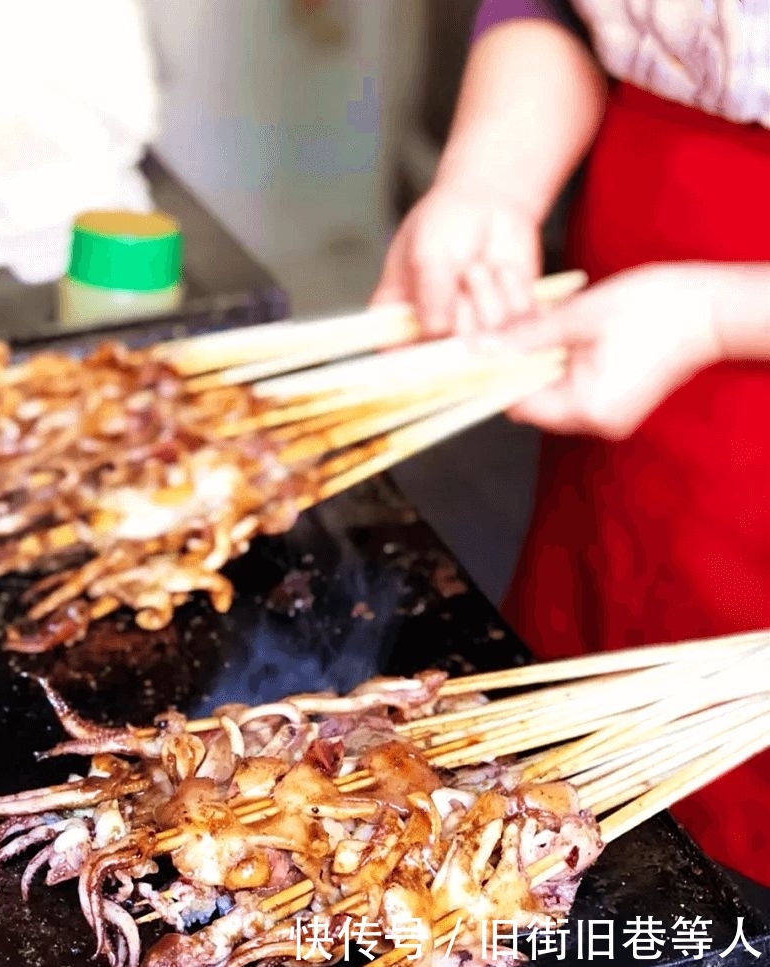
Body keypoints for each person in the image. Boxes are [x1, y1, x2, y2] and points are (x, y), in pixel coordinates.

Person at [373, 0, 769, 891]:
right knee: (559, 801)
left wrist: (714, 315)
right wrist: (488, 184)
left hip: (717, 319)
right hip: (638, 269)